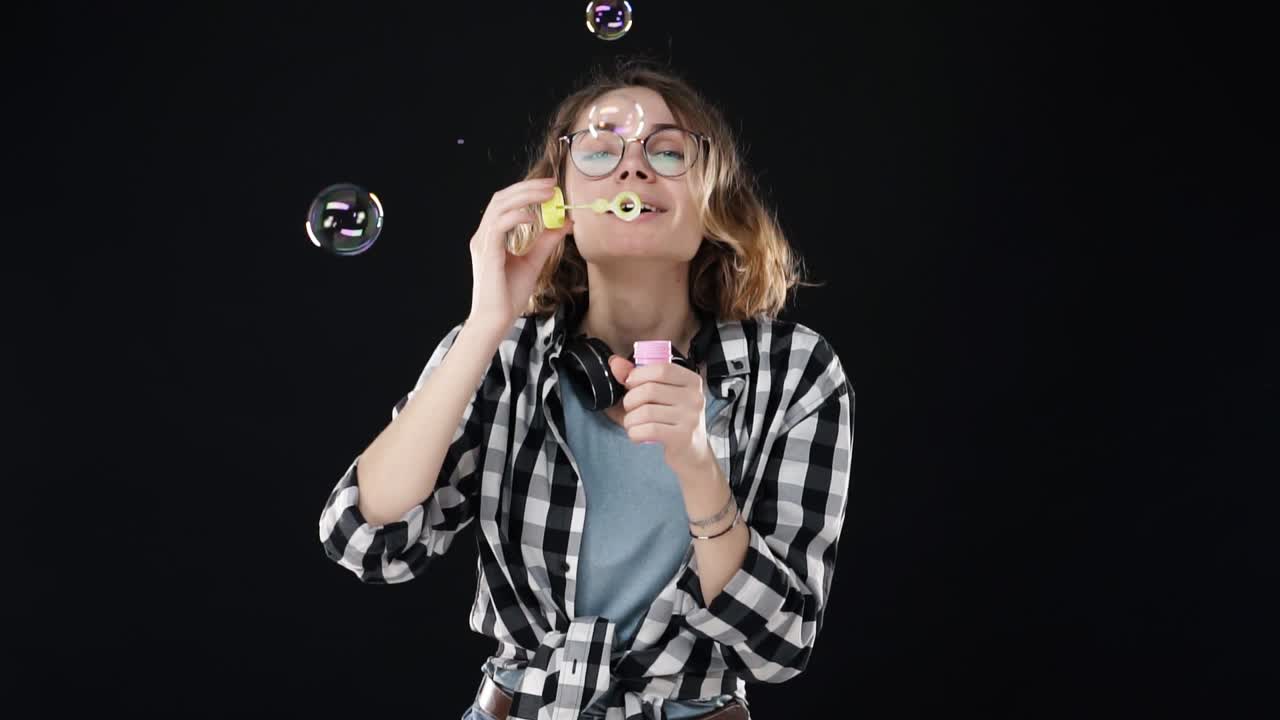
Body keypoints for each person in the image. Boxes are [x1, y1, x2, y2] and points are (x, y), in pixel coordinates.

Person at [318, 57, 855, 720]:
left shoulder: (795, 371)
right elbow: (364, 541)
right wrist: (487, 321)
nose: (633, 167)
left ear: (715, 200)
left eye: (667, 150)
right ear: (560, 200)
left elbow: (779, 646)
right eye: (600, 151)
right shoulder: (502, 352)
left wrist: (698, 467)